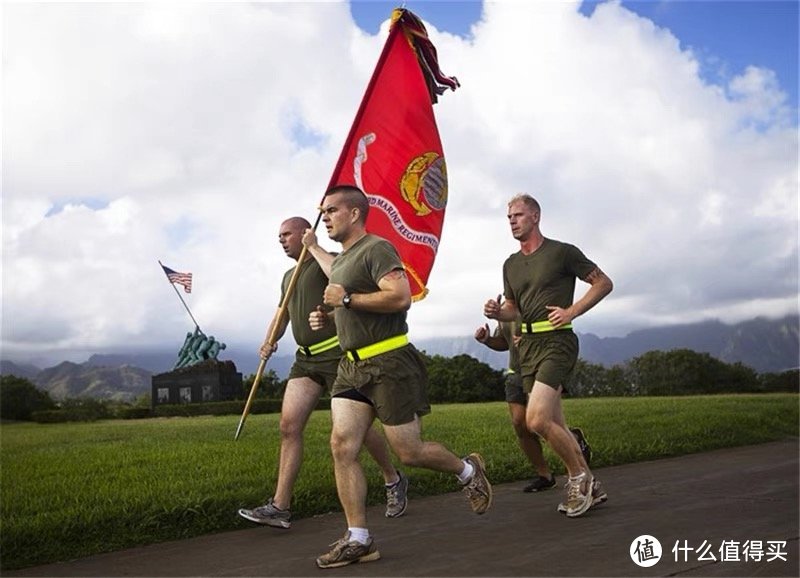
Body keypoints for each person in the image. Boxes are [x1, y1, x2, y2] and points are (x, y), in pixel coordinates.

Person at [304, 185, 492, 569]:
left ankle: (467, 470)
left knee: (410, 452)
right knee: (342, 446)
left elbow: (399, 296)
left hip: (389, 362)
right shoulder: (342, 260)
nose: (325, 217)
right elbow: (336, 274)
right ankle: (359, 538)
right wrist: (314, 256)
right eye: (323, 212)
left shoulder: (377, 249)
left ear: (354, 214)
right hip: (351, 366)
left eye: (332, 211)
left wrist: (345, 301)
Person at [238, 217, 408, 530]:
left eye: (286, 234)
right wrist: (268, 341)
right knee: (289, 427)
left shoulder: (326, 260)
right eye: (278, 236)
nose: (281, 239)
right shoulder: (288, 275)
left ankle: (392, 478)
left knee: (359, 428)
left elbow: (341, 277)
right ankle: (280, 507)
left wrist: (314, 247)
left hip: (336, 355)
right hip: (305, 360)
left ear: (304, 232)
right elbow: (282, 314)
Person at [484, 193, 613, 518]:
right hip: (527, 348)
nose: (512, 221)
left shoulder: (562, 252)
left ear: (536, 217)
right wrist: (498, 312)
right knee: (555, 422)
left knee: (536, 419)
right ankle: (592, 486)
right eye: (509, 217)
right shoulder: (510, 264)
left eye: (518, 215)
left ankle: (578, 478)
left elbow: (603, 283)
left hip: (557, 342)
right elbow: (514, 307)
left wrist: (572, 311)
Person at [475, 320, 594, 492]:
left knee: (542, 422)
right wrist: (487, 339)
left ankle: (578, 472)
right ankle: (545, 476)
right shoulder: (504, 308)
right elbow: (504, 342)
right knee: (520, 424)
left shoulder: (534, 302)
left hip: (540, 370)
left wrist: (532, 340)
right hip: (515, 373)